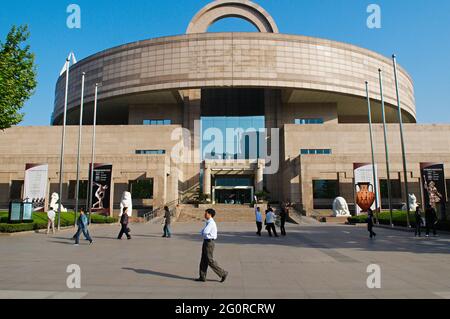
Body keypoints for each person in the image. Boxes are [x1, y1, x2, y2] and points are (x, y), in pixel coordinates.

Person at [195, 209, 228, 283]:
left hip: (209, 243)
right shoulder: (208, 222)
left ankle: (223, 273)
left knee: (210, 260)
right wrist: (203, 232)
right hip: (206, 241)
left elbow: (205, 231)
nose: (204, 214)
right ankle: (202, 276)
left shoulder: (211, 223)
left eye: (206, 213)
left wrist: (203, 232)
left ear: (210, 214)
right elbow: (202, 231)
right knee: (203, 259)